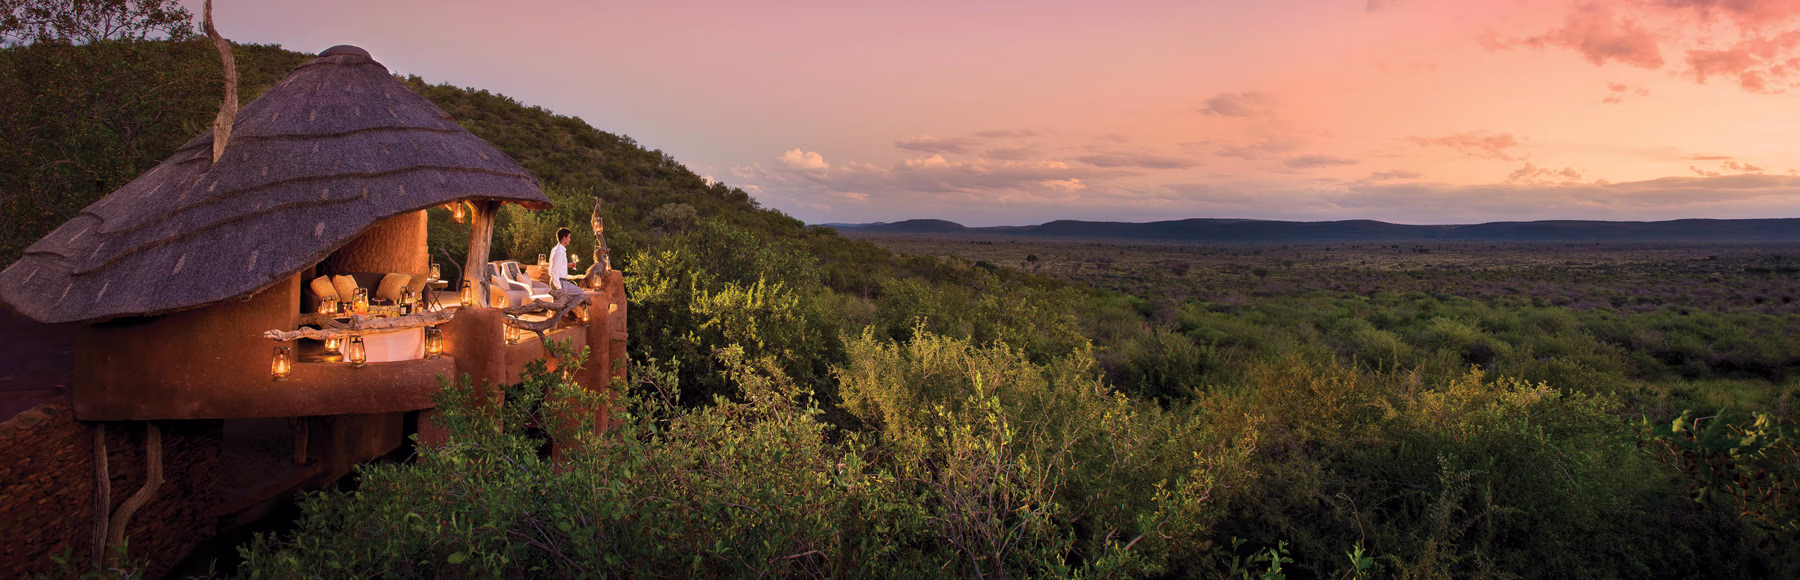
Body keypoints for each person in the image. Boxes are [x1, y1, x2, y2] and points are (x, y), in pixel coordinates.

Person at [549, 227, 581, 297]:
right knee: (581, 293)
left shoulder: (556, 249)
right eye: (569, 237)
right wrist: (559, 288)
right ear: (564, 238)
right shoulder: (559, 251)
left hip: (560, 282)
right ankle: (569, 307)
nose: (570, 239)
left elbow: (557, 266)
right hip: (560, 282)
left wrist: (567, 265)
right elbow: (554, 272)